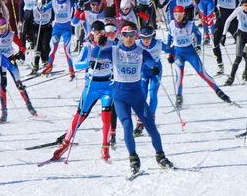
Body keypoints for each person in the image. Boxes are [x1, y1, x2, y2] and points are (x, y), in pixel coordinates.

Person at [105, 21, 173, 176]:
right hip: (120, 96)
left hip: (137, 96)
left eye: (131, 35)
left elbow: (151, 62)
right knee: (128, 125)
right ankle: (133, 158)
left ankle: (160, 156)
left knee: (150, 125)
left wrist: (154, 67)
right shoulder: (114, 51)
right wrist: (99, 43)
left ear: (136, 35)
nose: (128, 38)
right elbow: (95, 55)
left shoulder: (141, 51)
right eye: (125, 35)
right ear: (121, 35)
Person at [49, 21, 116, 162]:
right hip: (92, 86)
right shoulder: (87, 46)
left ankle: (105, 146)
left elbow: (119, 59)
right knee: (80, 116)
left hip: (107, 86)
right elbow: (77, 63)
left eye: (102, 32)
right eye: (97, 32)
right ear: (93, 32)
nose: (100, 35)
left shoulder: (111, 44)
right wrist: (88, 63)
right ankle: (65, 144)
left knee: (106, 115)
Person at [164, 5, 234, 110]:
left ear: (184, 15)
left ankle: (220, 92)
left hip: (190, 52)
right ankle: (179, 97)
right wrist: (170, 53)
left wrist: (197, 46)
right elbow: (169, 39)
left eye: (180, 15)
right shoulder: (172, 25)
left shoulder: (191, 25)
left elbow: (198, 35)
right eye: (176, 15)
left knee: (203, 74)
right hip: (178, 53)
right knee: (179, 75)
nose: (178, 17)